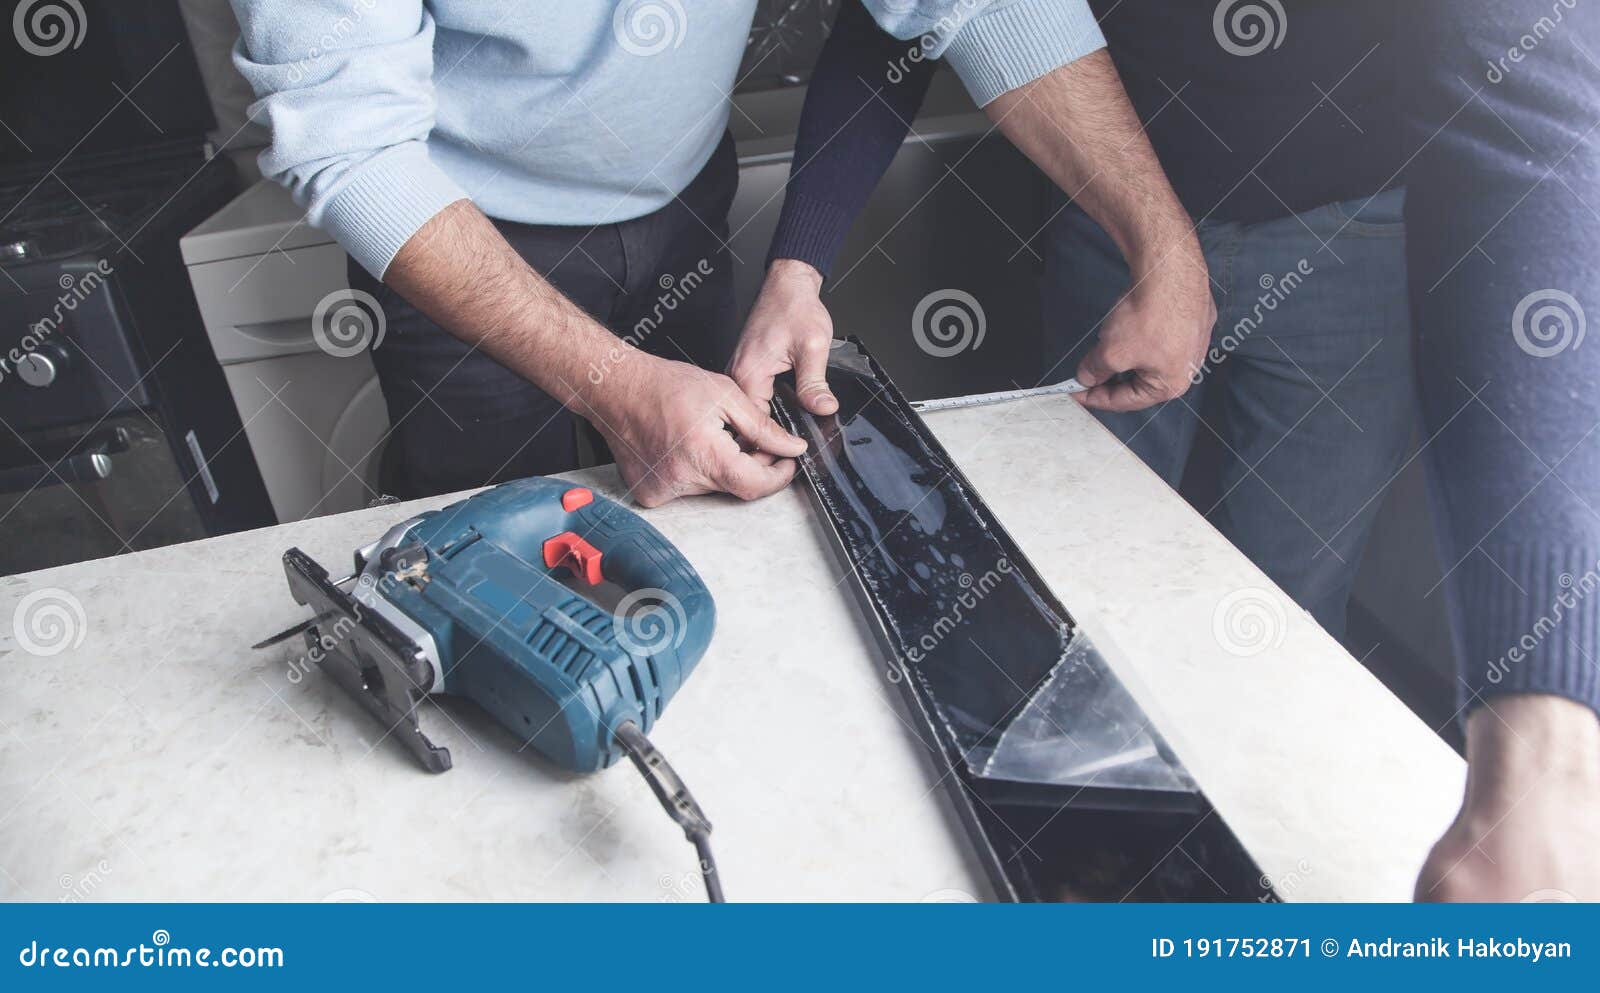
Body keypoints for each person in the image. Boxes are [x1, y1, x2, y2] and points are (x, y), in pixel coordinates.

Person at [746, 0, 1600, 901]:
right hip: (1106, 220)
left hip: (1357, 232)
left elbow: (1533, 117)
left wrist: (1545, 748)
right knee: (1069, 601)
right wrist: (799, 260)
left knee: (1286, 613)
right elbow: (911, 14)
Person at [227, 0, 1208, 509]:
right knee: (494, 560)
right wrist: (613, 381)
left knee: (718, 507)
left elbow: (977, 7)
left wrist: (1163, 249)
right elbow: (349, 139)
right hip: (458, 238)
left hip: (684, 211)